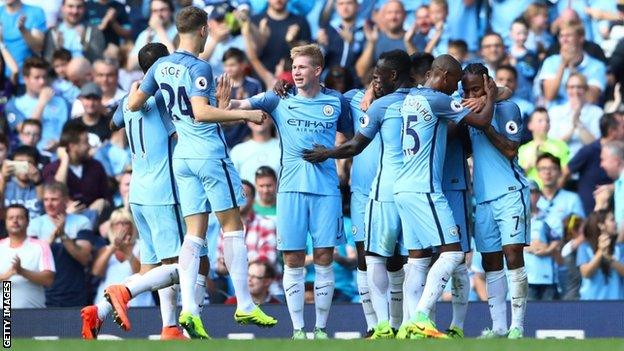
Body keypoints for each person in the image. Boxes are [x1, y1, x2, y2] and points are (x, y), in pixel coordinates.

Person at [127, 6, 275, 339]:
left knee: (194, 233)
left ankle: (190, 310)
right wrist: (246, 116)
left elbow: (135, 103)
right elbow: (201, 112)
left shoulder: (160, 66)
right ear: (205, 30)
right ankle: (247, 304)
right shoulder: (199, 67)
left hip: (183, 159)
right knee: (232, 225)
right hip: (208, 153)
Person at [81, 43, 207, 341]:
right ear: (163, 66)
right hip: (164, 191)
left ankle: (106, 314)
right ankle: (125, 294)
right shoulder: (163, 97)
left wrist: (128, 101)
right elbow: (181, 137)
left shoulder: (130, 97)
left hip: (137, 193)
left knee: (152, 268)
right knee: (189, 262)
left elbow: (112, 123)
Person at [229, 44, 352, 339]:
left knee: (324, 256)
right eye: (294, 67)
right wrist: (220, 103)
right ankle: (298, 329)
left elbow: (355, 140)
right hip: (291, 192)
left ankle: (321, 328)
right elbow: (241, 106)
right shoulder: (279, 98)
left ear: (317, 70)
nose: (296, 72)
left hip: (326, 191)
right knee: (293, 259)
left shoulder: (336, 102)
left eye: (302, 66)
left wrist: (332, 153)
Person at [303, 50, 412, 338]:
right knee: (366, 258)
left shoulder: (404, 101)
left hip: (398, 187)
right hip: (363, 191)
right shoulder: (351, 99)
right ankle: (374, 325)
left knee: (398, 260)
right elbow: (317, 94)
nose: (376, 81)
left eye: (379, 77)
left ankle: (400, 324)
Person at [395, 57, 495, 339]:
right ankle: (421, 317)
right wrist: (493, 96)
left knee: (416, 260)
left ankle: (406, 327)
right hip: (424, 188)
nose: (456, 89)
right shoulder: (439, 100)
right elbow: (483, 119)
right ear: (446, 77)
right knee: (453, 252)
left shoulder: (412, 98)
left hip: (403, 187)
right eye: (456, 82)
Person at [463, 63, 529, 339]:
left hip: (511, 191)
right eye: (466, 90)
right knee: (489, 260)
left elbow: (510, 150)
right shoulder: (466, 110)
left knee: (513, 253)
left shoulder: (507, 109)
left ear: (487, 84)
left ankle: (518, 326)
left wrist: (486, 117)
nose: (471, 94)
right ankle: (499, 326)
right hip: (484, 197)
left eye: (476, 89)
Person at [27, 182, 93, 307]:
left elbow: (84, 258)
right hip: (43, 294)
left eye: (54, 199)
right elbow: (32, 259)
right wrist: (53, 236)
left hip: (74, 293)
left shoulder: (82, 222)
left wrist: (63, 235)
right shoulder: (35, 224)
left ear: (66, 200)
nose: (49, 204)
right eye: (46, 199)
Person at [42, 123, 111, 221]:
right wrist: (65, 160)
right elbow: (55, 192)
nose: (89, 146)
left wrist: (99, 204)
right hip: (63, 220)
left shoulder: (96, 166)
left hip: (94, 221)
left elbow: (107, 197)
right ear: (72, 146)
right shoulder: (51, 168)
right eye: (85, 142)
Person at [4, 57, 69, 153]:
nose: (42, 82)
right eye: (37, 77)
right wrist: (42, 103)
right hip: (30, 157)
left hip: (57, 157)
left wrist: (59, 143)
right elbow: (28, 132)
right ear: (26, 79)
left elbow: (66, 132)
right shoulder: (13, 105)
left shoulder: (61, 102)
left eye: (44, 77)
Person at [91, 209, 154, 309]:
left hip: (138, 303)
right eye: (118, 223)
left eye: (125, 223)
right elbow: (96, 272)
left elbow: (142, 274)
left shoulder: (142, 246)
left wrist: (128, 252)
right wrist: (113, 246)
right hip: (108, 303)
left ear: (132, 226)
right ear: (112, 227)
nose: (122, 227)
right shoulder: (105, 249)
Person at [563, 113, 624, 215]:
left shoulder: (622, 151)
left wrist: (614, 187)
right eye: (623, 127)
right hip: (590, 216)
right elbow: (565, 172)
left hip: (614, 215)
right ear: (612, 132)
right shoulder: (589, 151)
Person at [537, 21, 606, 105]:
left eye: (568, 36)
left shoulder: (597, 66)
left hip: (585, 112)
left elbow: (591, 98)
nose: (564, 40)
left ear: (581, 38)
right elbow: (549, 96)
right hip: (556, 112)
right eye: (561, 36)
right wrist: (562, 64)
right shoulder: (550, 62)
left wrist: (572, 68)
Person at [0, 204, 55, 308]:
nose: (15, 221)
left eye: (20, 217)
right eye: (11, 218)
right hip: (5, 315)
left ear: (28, 221)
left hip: (33, 315)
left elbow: (48, 280)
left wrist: (22, 271)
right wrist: (6, 275)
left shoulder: (41, 246)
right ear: (5, 222)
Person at [249, 0, 311, 76]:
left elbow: (307, 57)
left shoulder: (301, 21)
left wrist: (292, 42)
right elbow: (251, 56)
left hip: (291, 81)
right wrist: (261, 39)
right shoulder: (254, 21)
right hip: (259, 81)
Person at [547, 73, 602, 158]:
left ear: (586, 89)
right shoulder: (555, 111)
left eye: (579, 87)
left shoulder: (597, 112)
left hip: (588, 160)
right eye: (571, 87)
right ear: (566, 90)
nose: (575, 91)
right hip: (559, 159)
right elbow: (553, 145)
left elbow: (595, 145)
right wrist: (573, 127)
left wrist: (578, 123)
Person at [524, 180, 560, 301]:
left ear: (539, 195)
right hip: (524, 278)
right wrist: (528, 247)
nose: (529, 195)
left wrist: (548, 249)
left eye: (532, 192)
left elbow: (557, 240)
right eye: (525, 192)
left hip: (547, 278)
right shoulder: (514, 218)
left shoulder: (549, 217)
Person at [577, 210, 624, 300]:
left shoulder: (620, 248)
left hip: (616, 304)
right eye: (612, 220)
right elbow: (586, 273)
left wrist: (610, 259)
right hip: (591, 305)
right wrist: (601, 251)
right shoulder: (584, 248)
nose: (616, 223)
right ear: (601, 225)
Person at [536, 153, 586, 237]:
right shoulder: (529, 199)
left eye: (552, 168)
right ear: (538, 173)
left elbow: (581, 230)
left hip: (563, 246)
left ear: (560, 172)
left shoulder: (572, 199)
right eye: (543, 168)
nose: (547, 172)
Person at [518, 108, 570, 183]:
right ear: (530, 125)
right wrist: (531, 163)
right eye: (540, 121)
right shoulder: (522, 149)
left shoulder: (560, 145)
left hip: (553, 191)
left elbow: (565, 172)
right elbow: (518, 176)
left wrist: (553, 191)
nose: (545, 123)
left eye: (547, 121)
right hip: (531, 192)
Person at [0, 0, 46, 83]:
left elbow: (38, 48)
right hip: (5, 81)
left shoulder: (35, 12)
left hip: (29, 81)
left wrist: (23, 30)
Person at [127, 0, 177, 71]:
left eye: (163, 10)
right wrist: (147, 42)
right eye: (155, 11)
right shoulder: (145, 34)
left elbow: (176, 60)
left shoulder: (179, 31)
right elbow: (131, 65)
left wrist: (159, 29)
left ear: (171, 11)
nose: (159, 14)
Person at [0, 146, 44, 220]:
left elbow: (45, 208)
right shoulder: (5, 185)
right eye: (19, 163)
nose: (23, 168)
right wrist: (3, 179)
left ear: (36, 165)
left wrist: (38, 182)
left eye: (28, 163)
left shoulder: (43, 186)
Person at [600, 141, 624, 232]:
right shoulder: (618, 184)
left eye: (603, 159)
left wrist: (617, 242)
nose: (601, 165)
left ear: (616, 161)